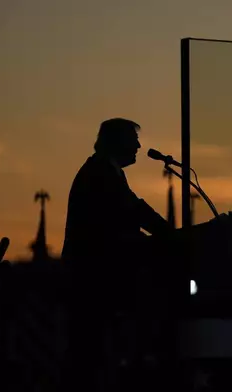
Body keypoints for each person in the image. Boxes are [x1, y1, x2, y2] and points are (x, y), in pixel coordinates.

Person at [60, 118, 179, 391]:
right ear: (117, 142)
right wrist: (168, 236)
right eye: (133, 139)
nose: (139, 146)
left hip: (99, 278)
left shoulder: (108, 171)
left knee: (91, 353)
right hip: (91, 278)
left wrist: (165, 233)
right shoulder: (99, 173)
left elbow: (132, 208)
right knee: (87, 354)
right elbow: (121, 218)